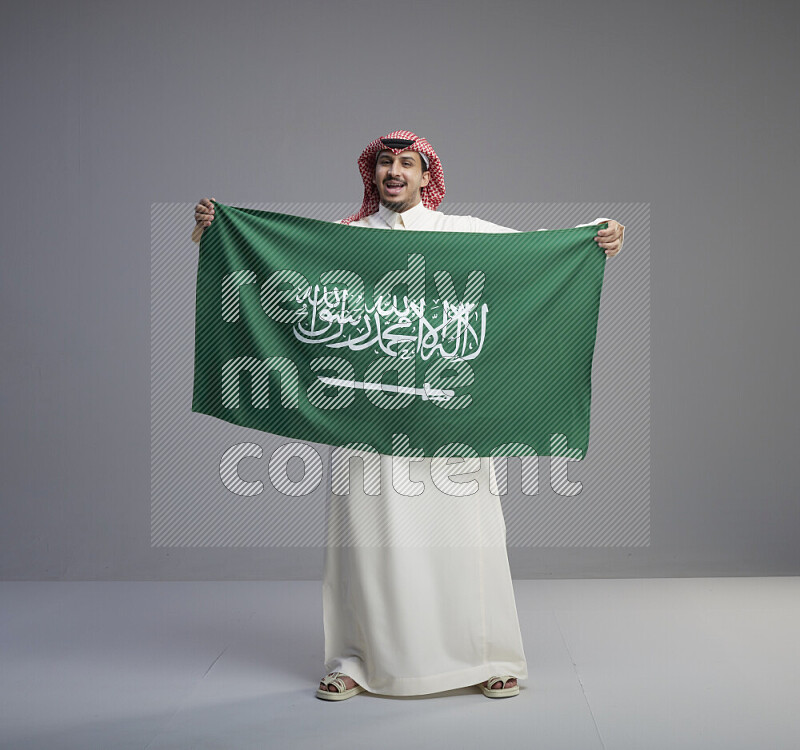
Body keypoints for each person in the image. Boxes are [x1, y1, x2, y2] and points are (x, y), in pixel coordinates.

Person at [192, 130, 625, 701]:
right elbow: (276, 276)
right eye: (384, 164)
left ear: (426, 176)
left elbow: (537, 252)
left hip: (451, 425)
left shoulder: (462, 235)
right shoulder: (343, 241)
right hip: (363, 422)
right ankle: (353, 660)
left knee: (465, 539)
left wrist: (597, 236)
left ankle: (489, 657)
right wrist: (216, 236)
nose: (394, 171)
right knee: (365, 545)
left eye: (406, 163)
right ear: (371, 176)